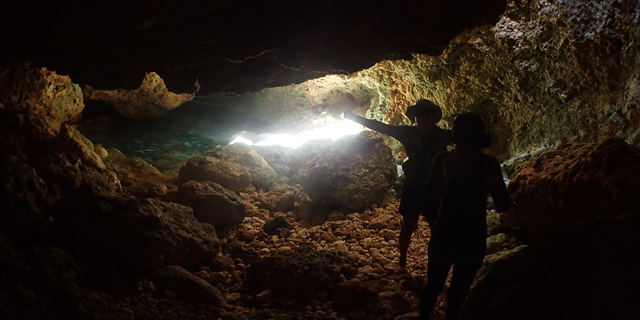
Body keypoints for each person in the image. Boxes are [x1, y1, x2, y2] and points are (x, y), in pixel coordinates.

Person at [418, 112, 510, 320]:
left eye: (468, 146)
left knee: (458, 294)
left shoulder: (489, 165)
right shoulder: (443, 160)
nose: (464, 150)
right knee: (434, 285)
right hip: (446, 236)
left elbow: (504, 206)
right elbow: (427, 202)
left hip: (471, 240)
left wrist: (495, 186)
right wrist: (445, 178)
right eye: (461, 145)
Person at [343, 99, 451, 273]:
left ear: (432, 117)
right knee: (408, 226)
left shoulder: (444, 135)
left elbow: (466, 144)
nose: (422, 117)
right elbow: (380, 126)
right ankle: (402, 262)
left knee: (435, 229)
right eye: (419, 114)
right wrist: (353, 117)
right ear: (414, 117)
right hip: (413, 186)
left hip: (434, 189)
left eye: (426, 113)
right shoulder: (408, 133)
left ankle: (435, 265)